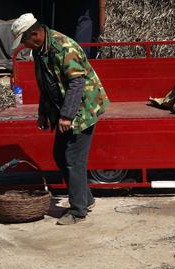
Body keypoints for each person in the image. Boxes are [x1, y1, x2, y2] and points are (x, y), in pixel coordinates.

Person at [11, 13, 109, 225]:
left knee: (73, 159)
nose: (24, 46)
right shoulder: (39, 50)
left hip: (83, 108)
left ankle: (77, 211)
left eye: (24, 40)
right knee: (59, 155)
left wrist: (66, 115)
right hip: (66, 108)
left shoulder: (63, 47)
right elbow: (46, 84)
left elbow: (77, 83)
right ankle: (86, 199)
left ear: (35, 34)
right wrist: (43, 113)